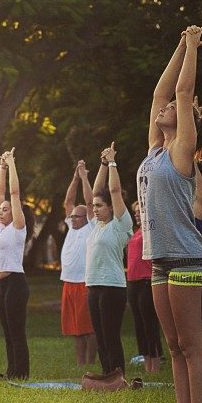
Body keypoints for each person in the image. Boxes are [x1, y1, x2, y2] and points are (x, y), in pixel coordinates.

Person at [137, 24, 202, 403]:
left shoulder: (182, 151)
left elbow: (182, 94)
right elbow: (160, 93)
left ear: (188, 127)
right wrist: (179, 45)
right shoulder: (154, 150)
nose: (164, 108)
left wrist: (193, 47)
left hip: (185, 257)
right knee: (173, 346)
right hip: (159, 259)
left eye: (172, 111)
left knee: (191, 344)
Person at [79, 144, 133, 376]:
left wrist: (111, 162)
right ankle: (106, 376)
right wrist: (101, 164)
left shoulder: (120, 224)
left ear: (111, 208)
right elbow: (96, 192)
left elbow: (114, 190)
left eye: (100, 206)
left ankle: (117, 376)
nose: (95, 209)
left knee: (111, 336)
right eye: (94, 206)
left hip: (112, 287)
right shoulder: (96, 226)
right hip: (94, 286)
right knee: (100, 337)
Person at [0, 147, 34, 379]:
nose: (1, 211)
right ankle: (11, 372)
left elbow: (13, 193)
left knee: (16, 332)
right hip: (2, 285)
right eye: (0, 210)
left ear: (15, 212)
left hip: (16, 283)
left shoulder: (18, 228)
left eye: (5, 210)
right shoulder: (0, 228)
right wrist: (1, 167)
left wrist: (12, 163)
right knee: (7, 332)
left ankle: (21, 373)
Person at [59, 162, 97, 366]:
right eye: (71, 216)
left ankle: (90, 362)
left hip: (84, 282)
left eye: (76, 216)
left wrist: (84, 177)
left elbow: (90, 202)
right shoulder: (71, 227)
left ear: (86, 218)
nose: (72, 218)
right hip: (69, 282)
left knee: (89, 327)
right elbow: (68, 202)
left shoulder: (91, 227)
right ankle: (80, 364)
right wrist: (74, 178)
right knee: (75, 328)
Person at [126, 201, 163, 373]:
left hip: (146, 282)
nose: (136, 214)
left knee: (150, 325)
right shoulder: (136, 233)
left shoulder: (152, 232)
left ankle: (155, 366)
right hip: (132, 282)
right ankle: (147, 365)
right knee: (139, 326)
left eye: (139, 211)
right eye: (135, 212)